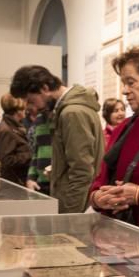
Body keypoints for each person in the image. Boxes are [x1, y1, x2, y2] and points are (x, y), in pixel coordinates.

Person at [89, 47, 139, 229]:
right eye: (123, 83)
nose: (124, 91)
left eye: (130, 82)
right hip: (117, 235)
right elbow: (101, 178)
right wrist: (97, 197)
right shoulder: (124, 126)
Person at [9, 65, 104, 213]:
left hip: (74, 207)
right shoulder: (68, 110)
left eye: (30, 100)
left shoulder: (71, 113)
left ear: (45, 88)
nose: (29, 106)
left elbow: (81, 171)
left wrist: (71, 218)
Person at [0, 93, 32, 186]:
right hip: (14, 182)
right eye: (23, 108)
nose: (25, 111)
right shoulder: (7, 130)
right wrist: (29, 155)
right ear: (18, 111)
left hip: (16, 180)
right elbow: (7, 160)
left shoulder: (13, 127)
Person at [26, 102, 52, 195]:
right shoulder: (39, 119)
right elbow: (36, 152)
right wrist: (30, 178)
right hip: (40, 184)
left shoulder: (62, 117)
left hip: (57, 183)